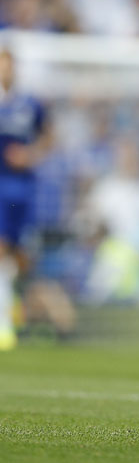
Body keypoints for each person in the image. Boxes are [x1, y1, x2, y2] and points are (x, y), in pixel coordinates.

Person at [0, 48, 49, 350]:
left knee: (22, 259)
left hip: (25, 191)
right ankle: (4, 323)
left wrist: (33, 155)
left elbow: (48, 134)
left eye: (9, 64)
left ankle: (13, 309)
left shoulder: (29, 103)